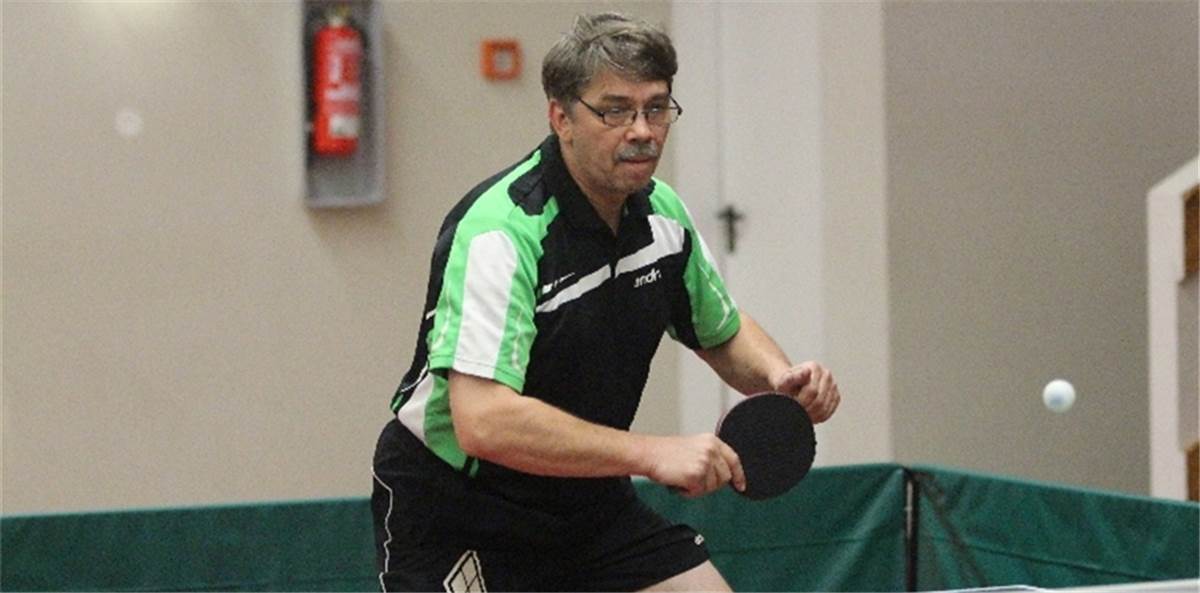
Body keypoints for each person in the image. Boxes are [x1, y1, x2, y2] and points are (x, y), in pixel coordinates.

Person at [371, 12, 841, 592]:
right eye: (615, 111)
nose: (642, 130)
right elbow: (483, 421)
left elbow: (721, 331)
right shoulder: (502, 233)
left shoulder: (662, 215)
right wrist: (650, 454)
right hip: (464, 507)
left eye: (656, 107)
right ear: (561, 118)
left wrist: (778, 376)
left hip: (587, 503)